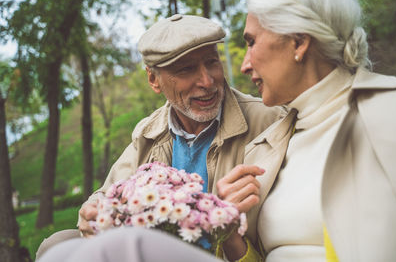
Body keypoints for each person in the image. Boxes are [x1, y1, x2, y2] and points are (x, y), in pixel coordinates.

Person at [36, 14, 282, 260]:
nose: (207, 81)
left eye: (212, 62)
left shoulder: (269, 121)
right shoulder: (148, 133)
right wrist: (92, 214)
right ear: (154, 80)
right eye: (186, 69)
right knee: (56, 246)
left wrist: (226, 224)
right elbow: (107, 194)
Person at [217, 0, 396, 261]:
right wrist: (231, 238)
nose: (244, 65)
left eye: (252, 42)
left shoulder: (391, 109)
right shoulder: (261, 150)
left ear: (299, 42)